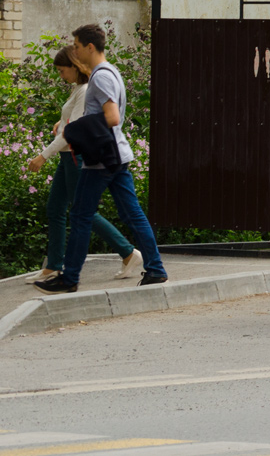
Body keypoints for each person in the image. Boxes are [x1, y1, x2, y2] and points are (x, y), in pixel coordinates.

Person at [36, 24, 168, 294]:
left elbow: (112, 117)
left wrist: (73, 129)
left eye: (76, 46)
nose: (73, 51)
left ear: (89, 47)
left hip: (103, 160)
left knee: (81, 215)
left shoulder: (101, 77)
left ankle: (69, 278)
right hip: (116, 156)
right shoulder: (109, 72)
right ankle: (155, 269)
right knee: (132, 214)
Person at [25, 46, 141, 284]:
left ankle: (129, 252)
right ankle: (53, 267)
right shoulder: (78, 89)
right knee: (55, 208)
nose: (61, 76)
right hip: (67, 157)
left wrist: (42, 156)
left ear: (75, 67)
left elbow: (72, 131)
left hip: (75, 157)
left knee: (83, 212)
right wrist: (61, 120)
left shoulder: (86, 88)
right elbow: (73, 120)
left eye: (62, 71)